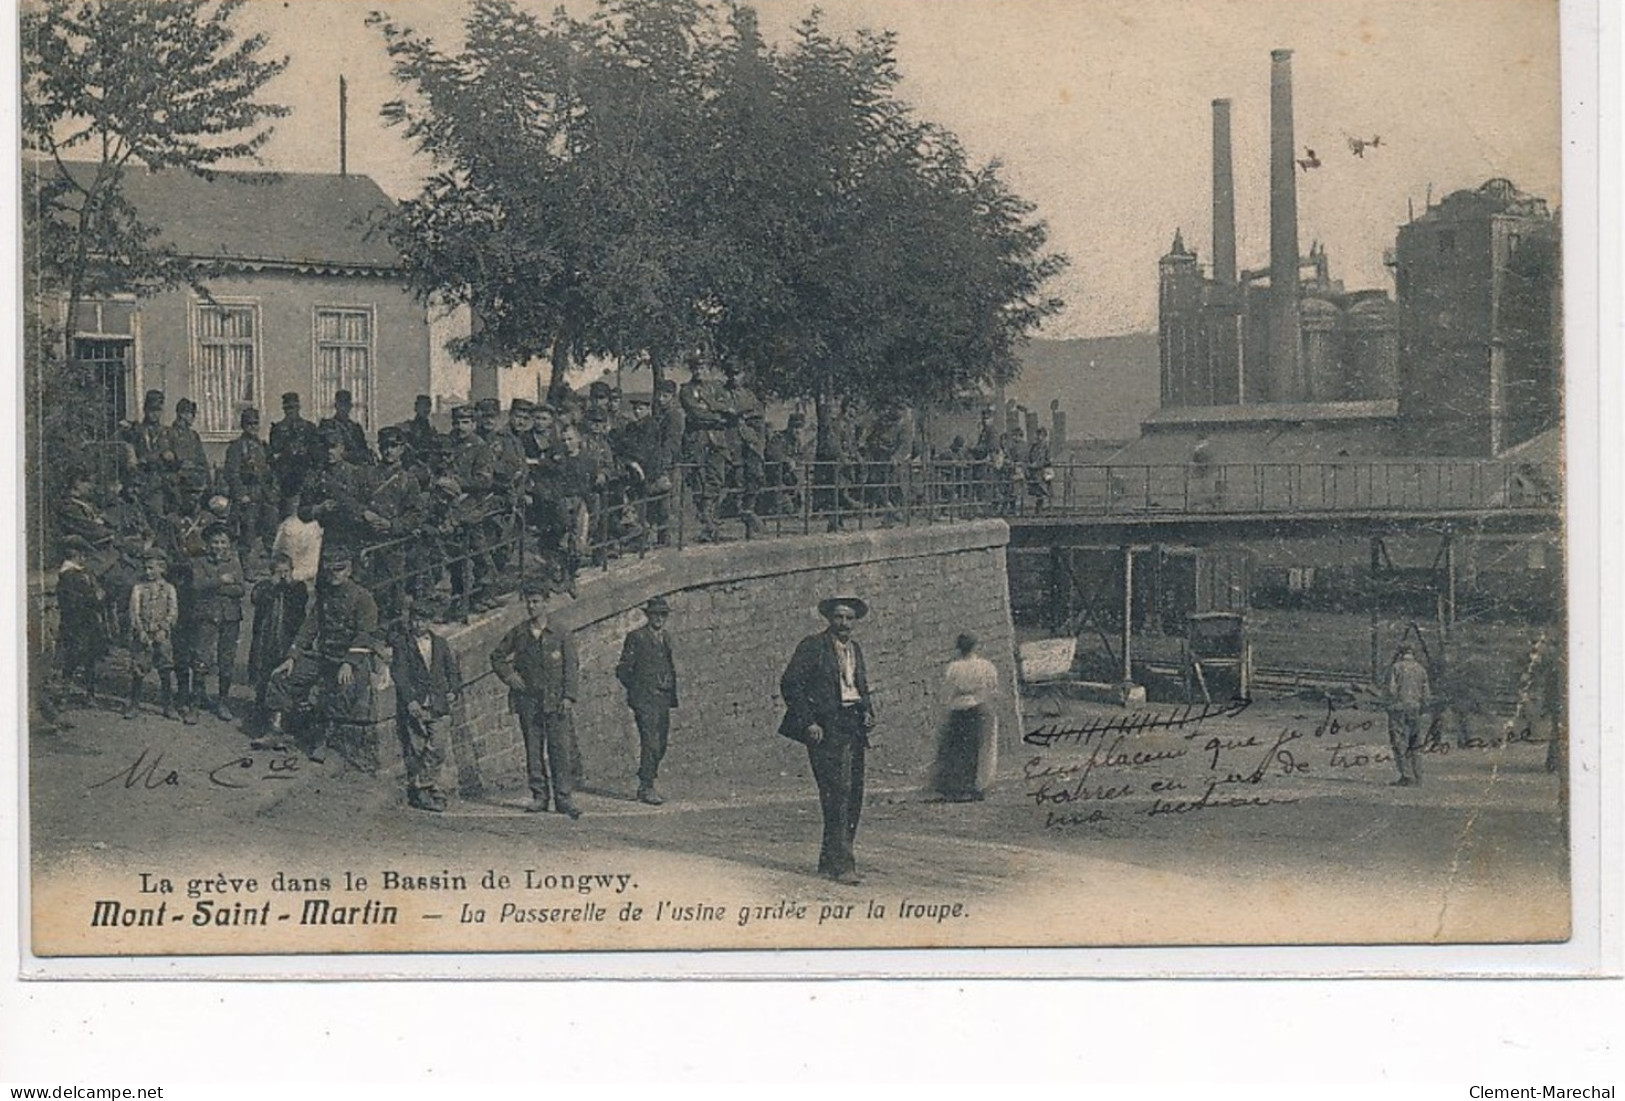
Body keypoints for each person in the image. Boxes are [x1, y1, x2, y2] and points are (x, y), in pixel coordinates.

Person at [778, 596, 876, 885]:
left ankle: (829, 861)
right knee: (837, 794)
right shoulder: (813, 646)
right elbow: (790, 683)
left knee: (853, 794)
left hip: (853, 726)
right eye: (839, 618)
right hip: (826, 728)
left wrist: (868, 711)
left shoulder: (854, 649)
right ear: (829, 620)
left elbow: (860, 686)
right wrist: (809, 721)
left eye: (849, 619)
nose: (844, 624)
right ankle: (843, 865)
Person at [262, 544, 381, 761]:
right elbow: (310, 626)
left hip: (348, 659)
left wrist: (349, 662)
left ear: (349, 570)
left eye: (339, 569)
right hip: (324, 656)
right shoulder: (325, 594)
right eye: (330, 569)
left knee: (343, 687)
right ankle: (275, 731)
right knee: (282, 676)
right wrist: (292, 656)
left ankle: (324, 740)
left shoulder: (363, 598)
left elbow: (365, 635)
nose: (334, 574)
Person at [490, 580, 583, 819]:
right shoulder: (520, 633)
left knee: (559, 750)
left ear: (546, 603)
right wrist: (510, 677)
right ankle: (539, 796)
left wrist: (569, 696)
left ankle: (563, 798)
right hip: (529, 702)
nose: (532, 606)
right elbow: (497, 656)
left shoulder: (561, 632)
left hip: (555, 701)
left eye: (536, 602)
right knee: (533, 749)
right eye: (529, 602)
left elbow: (571, 667)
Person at [388, 597, 462, 812]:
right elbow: (399, 673)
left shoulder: (440, 644)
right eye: (415, 620)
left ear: (431, 621)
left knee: (437, 746)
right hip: (417, 704)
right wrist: (409, 700)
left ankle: (423, 785)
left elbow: (452, 671)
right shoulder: (404, 644)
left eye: (423, 621)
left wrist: (453, 690)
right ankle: (426, 792)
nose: (418, 625)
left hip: (439, 702)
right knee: (418, 747)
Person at [615, 596, 679, 805]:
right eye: (655, 614)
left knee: (661, 744)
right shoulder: (637, 637)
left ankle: (646, 777)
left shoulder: (666, 637)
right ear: (648, 616)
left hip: (663, 697)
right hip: (644, 699)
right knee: (650, 741)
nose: (659, 618)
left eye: (663, 615)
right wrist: (637, 689)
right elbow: (623, 669)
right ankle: (646, 785)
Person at [190, 523, 247, 721]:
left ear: (229, 544)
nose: (219, 546)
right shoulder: (199, 562)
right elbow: (197, 585)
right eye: (215, 542)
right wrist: (221, 580)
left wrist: (213, 586)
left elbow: (240, 589)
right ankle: (195, 704)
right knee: (201, 657)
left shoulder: (235, 561)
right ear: (207, 543)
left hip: (230, 616)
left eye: (223, 542)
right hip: (207, 615)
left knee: (227, 659)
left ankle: (223, 701)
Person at [932, 633, 999, 801]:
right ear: (975, 646)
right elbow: (993, 686)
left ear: (959, 648)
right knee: (981, 748)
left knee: (960, 749)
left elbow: (947, 691)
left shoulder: (954, 668)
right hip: (979, 707)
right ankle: (979, 785)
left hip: (959, 709)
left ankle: (960, 787)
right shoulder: (985, 666)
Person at [247, 554, 307, 735]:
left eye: (286, 571)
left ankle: (285, 715)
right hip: (267, 639)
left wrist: (288, 584)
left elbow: (300, 602)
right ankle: (261, 712)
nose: (282, 576)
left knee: (286, 674)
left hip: (287, 637)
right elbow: (256, 598)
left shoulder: (298, 587)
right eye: (278, 572)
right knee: (264, 673)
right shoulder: (264, 587)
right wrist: (273, 585)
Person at [124, 550, 180, 720]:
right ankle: (134, 704)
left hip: (162, 635)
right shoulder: (139, 588)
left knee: (165, 668)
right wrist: (140, 631)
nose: (148, 572)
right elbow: (134, 612)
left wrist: (164, 627)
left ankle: (168, 706)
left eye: (151, 568)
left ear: (162, 568)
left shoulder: (169, 588)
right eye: (146, 568)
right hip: (143, 635)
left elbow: (173, 612)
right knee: (139, 669)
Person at [55, 543, 107, 704]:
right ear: (77, 555)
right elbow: (79, 599)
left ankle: (86, 693)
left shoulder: (82, 573)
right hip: (77, 623)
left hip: (85, 621)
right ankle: (67, 693)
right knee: (75, 657)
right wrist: (95, 597)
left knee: (87, 657)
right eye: (83, 554)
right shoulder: (69, 576)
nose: (85, 558)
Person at [223, 407, 275, 556]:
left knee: (270, 527)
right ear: (243, 426)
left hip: (263, 493)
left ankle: (269, 566)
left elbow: (270, 470)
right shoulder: (237, 447)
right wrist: (241, 494)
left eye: (255, 423)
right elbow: (231, 473)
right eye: (249, 424)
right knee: (247, 531)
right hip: (248, 493)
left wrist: (272, 492)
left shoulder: (263, 446)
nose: (253, 427)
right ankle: (246, 568)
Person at [1385, 643, 1432, 786]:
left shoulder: (1397, 667)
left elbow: (1391, 690)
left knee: (1399, 741)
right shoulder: (1421, 669)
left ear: (1401, 653)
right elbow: (1426, 694)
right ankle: (1418, 777)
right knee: (1415, 743)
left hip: (1399, 707)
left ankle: (1406, 776)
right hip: (1415, 708)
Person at [269, 392, 322, 516]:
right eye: (287, 408)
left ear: (298, 408)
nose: (290, 411)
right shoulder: (277, 429)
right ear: (283, 409)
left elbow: (317, 455)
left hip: (306, 476)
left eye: (293, 408)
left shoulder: (310, 428)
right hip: (286, 478)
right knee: (287, 515)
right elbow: (273, 455)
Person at [271, 493, 323, 585]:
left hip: (304, 569)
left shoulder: (313, 526)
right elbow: (278, 548)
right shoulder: (288, 524)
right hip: (290, 569)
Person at [319, 388, 374, 466]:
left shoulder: (356, 428)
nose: (343, 408)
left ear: (350, 406)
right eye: (340, 404)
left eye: (346, 404)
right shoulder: (327, 425)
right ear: (335, 405)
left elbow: (363, 450)